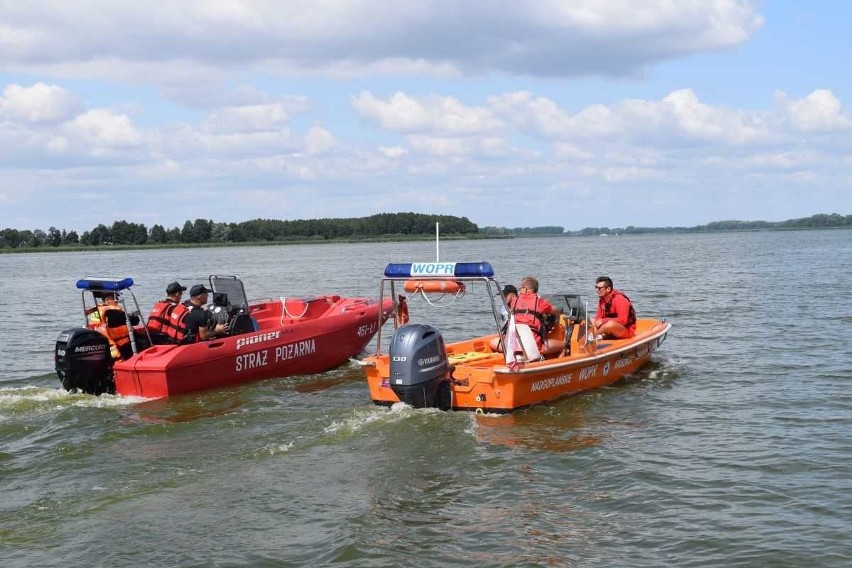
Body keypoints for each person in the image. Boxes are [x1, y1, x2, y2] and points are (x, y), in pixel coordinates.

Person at [490, 284, 519, 352]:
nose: (502, 297)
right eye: (502, 295)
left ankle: (513, 351)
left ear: (513, 295)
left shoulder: (520, 306)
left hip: (518, 335)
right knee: (494, 342)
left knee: (493, 343)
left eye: (505, 295)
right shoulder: (504, 307)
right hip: (510, 335)